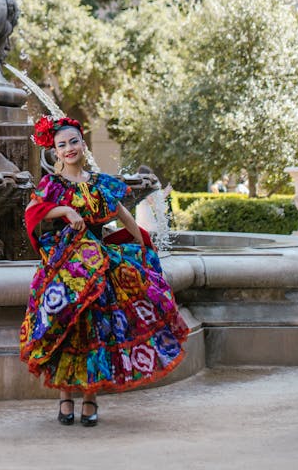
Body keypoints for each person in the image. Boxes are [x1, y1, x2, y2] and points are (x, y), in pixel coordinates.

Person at [20, 115, 188, 427]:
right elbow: (34, 213)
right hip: (66, 269)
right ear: (54, 152)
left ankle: (90, 398)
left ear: (83, 144)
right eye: (62, 145)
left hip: (100, 266)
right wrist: (66, 210)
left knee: (97, 331)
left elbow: (123, 215)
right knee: (67, 330)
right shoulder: (52, 185)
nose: (69, 148)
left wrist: (143, 248)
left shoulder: (99, 183)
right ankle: (64, 395)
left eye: (73, 142)